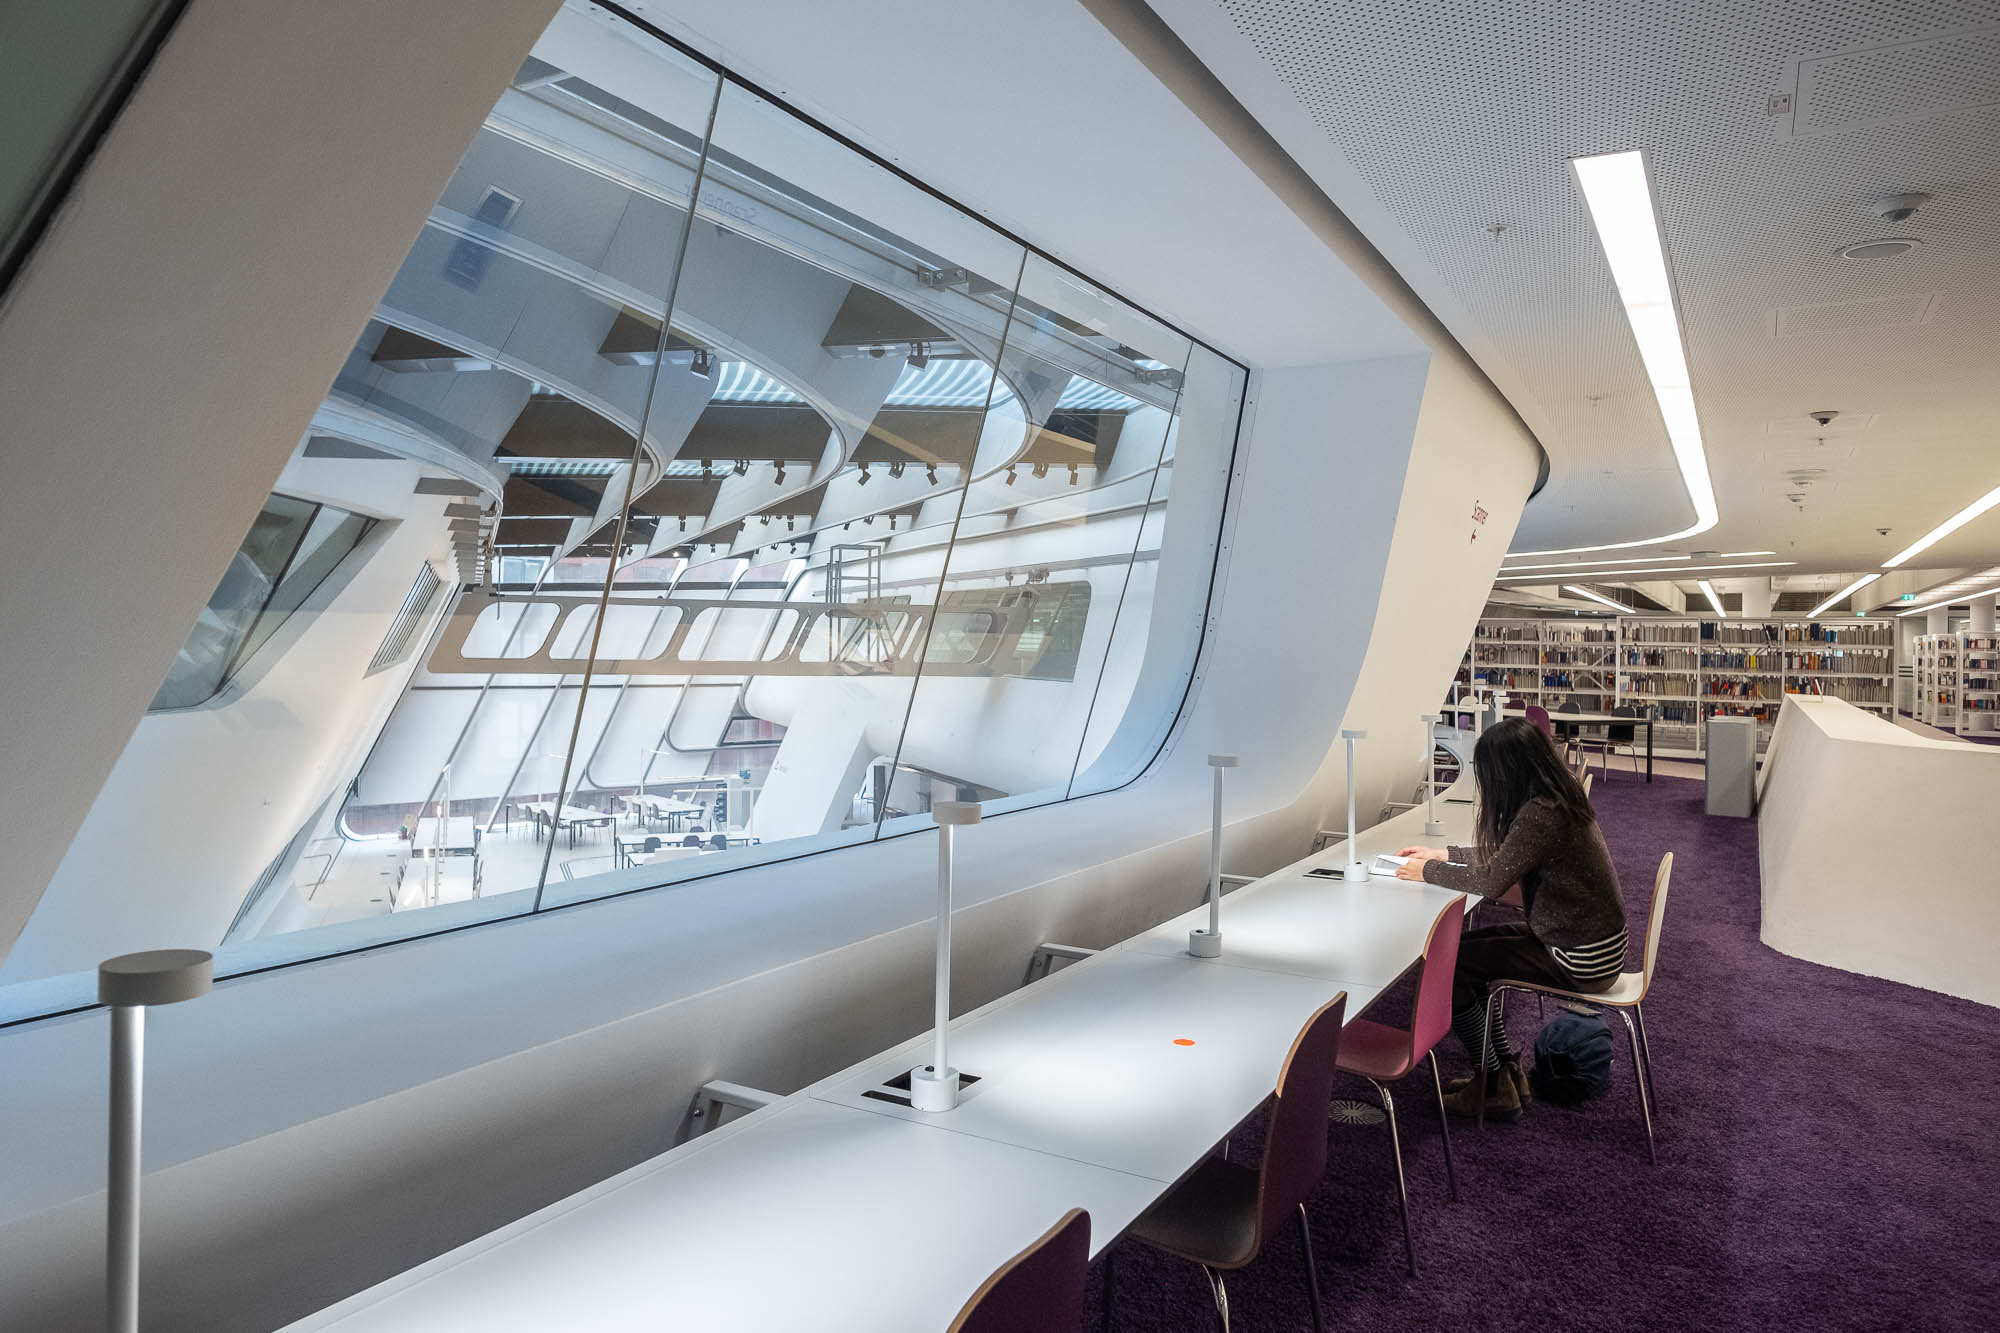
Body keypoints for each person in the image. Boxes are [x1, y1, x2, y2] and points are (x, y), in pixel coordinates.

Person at [1394, 717, 1627, 1120]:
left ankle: (1493, 1081)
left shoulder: (1542, 813)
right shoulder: (1557, 796)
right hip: (1586, 941)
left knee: (1455, 964)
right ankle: (1503, 1073)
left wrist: (1425, 872)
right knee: (1464, 952)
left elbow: (1490, 880)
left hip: (1580, 957)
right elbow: (1510, 856)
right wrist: (1442, 855)